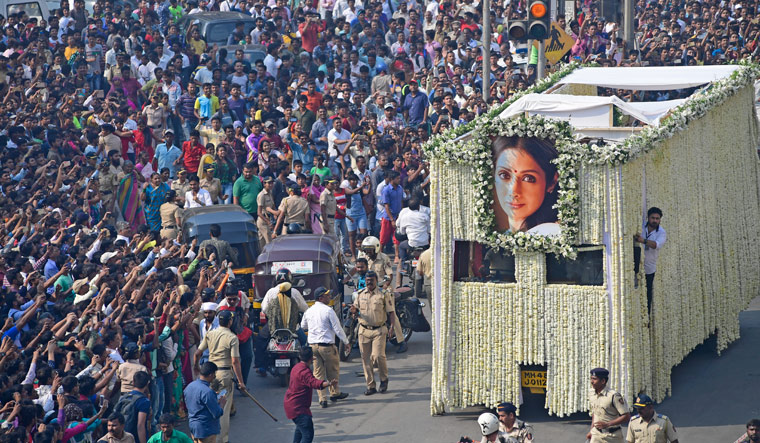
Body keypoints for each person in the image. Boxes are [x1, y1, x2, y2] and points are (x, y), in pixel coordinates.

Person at [194, 310, 246, 443]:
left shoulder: (210, 334)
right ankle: (221, 439)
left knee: (210, 406)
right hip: (224, 375)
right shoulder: (232, 337)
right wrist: (241, 382)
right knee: (223, 408)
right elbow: (235, 361)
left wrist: (197, 367)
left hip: (210, 374)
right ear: (230, 322)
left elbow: (197, 353)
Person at [491, 136, 560, 235]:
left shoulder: (551, 234)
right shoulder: (507, 237)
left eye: (528, 178)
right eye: (504, 175)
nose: (513, 191)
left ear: (552, 182)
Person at [300, 287, 349, 408]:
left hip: (313, 347)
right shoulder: (328, 311)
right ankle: (334, 393)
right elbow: (337, 329)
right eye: (327, 296)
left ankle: (322, 399)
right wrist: (346, 341)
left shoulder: (309, 311)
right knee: (332, 371)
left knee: (318, 374)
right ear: (320, 298)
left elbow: (303, 326)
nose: (329, 297)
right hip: (327, 346)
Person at [350, 271, 394, 395]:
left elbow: (391, 312)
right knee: (366, 359)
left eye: (372, 280)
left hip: (379, 330)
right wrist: (353, 311)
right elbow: (355, 310)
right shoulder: (360, 294)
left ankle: (384, 379)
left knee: (378, 356)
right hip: (363, 330)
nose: (369, 282)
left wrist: (392, 327)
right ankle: (371, 386)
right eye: (367, 280)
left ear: (376, 281)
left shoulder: (384, 294)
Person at [283, 347, 338, 443]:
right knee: (308, 434)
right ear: (311, 358)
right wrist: (329, 383)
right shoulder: (304, 372)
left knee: (300, 431)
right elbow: (315, 383)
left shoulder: (296, 367)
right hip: (299, 409)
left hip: (291, 405)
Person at [184, 362, 226, 443]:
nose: (215, 376)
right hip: (206, 429)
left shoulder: (189, 386)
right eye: (214, 374)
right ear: (210, 374)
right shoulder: (207, 392)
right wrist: (222, 404)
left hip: (194, 427)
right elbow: (217, 413)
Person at [634, 207, 666, 313]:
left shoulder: (661, 232)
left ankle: (646, 315)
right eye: (653, 218)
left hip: (649, 267)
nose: (655, 220)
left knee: (647, 292)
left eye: (657, 218)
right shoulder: (640, 226)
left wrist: (643, 240)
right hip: (636, 264)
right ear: (648, 217)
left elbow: (655, 245)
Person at [587, 368, 630, 443]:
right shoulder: (591, 393)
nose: (592, 382)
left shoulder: (614, 396)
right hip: (596, 434)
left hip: (613, 436)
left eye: (594, 379)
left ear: (603, 381)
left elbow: (626, 416)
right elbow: (595, 413)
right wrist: (591, 430)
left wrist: (608, 424)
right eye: (591, 379)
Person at [115, 370, 152, 443]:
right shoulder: (144, 401)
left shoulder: (124, 397)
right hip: (135, 438)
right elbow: (140, 425)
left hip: (121, 436)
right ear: (147, 383)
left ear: (133, 382)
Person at [256, 176, 279, 247]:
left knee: (261, 243)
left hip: (269, 218)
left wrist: (275, 213)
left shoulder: (270, 192)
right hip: (263, 221)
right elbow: (259, 213)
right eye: (269, 183)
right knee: (269, 242)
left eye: (272, 183)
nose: (271, 185)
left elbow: (272, 205)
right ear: (264, 184)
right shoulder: (262, 195)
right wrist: (268, 222)